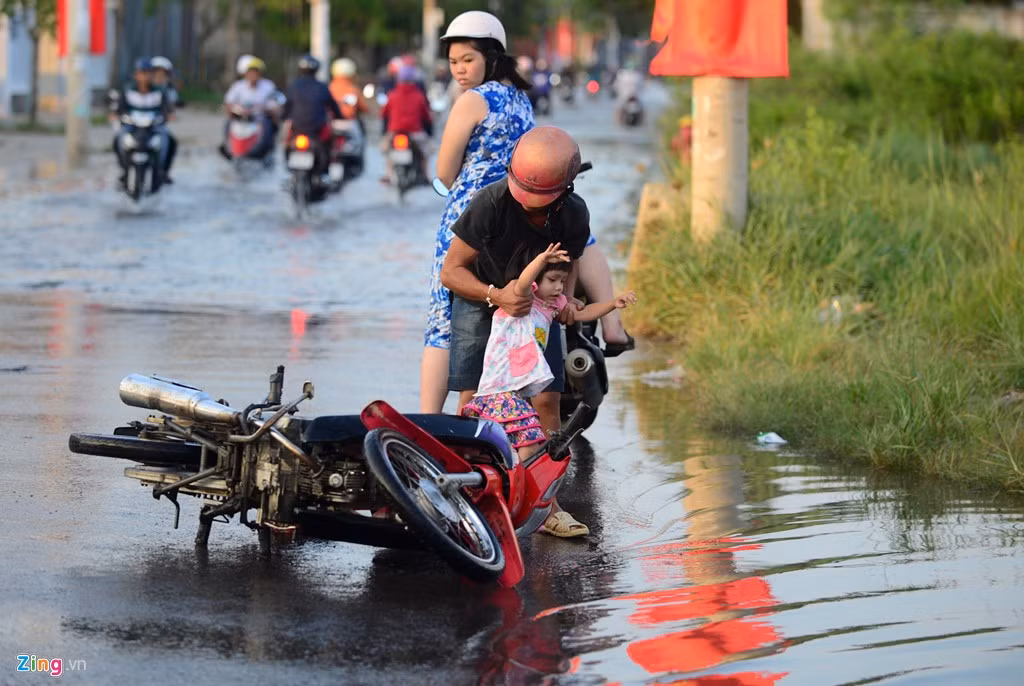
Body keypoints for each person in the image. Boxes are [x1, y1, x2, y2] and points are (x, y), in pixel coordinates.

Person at [440, 125, 593, 535]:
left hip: (537, 310)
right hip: (481, 298)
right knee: (475, 401)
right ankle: (465, 503)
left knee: (546, 401)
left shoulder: (574, 213)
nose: (529, 208)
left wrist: (566, 299)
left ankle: (546, 507)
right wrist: (497, 295)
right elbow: (451, 272)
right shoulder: (490, 202)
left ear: (566, 188)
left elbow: (570, 264)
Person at [420, 9, 534, 414]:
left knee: (443, 321)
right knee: (495, 319)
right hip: (514, 226)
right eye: (453, 62)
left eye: (467, 60)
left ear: (491, 56)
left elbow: (444, 173)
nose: (459, 70)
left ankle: (428, 423)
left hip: (465, 223)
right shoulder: (523, 101)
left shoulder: (473, 100)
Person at [461, 241, 636, 479]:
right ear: (537, 281)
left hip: (515, 393)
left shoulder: (552, 306)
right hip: (498, 392)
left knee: (519, 444)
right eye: (552, 280)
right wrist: (541, 260)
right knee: (530, 443)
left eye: (562, 282)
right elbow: (523, 282)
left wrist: (612, 305)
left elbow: (582, 314)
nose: (558, 287)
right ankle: (523, 487)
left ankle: (514, 486)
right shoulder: (521, 299)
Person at [110, 57, 173, 189]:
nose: (145, 76)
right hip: (132, 127)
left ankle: (162, 170)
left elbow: (167, 110)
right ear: (136, 75)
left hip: (153, 127)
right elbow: (119, 109)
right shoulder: (128, 91)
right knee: (118, 140)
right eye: (142, 73)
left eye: (148, 73)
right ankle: (124, 170)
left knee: (169, 141)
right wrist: (117, 115)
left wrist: (167, 116)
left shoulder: (159, 92)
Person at [281, 54, 342, 183]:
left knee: (286, 144)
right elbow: (334, 108)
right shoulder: (322, 87)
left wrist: (282, 117)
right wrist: (340, 116)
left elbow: (286, 110)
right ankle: (324, 173)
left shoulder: (293, 86)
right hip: (316, 131)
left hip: (298, 130)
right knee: (330, 144)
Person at [220, 56, 281, 161]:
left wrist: (270, 109)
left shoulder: (268, 86)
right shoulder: (238, 86)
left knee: (269, 125)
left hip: (260, 118)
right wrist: (233, 109)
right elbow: (228, 102)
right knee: (228, 124)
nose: (253, 75)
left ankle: (267, 150)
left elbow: (275, 102)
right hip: (241, 118)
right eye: (251, 72)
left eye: (256, 72)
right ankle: (228, 147)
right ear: (245, 74)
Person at [379, 64, 433, 182]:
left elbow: (383, 113)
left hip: (394, 131)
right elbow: (427, 116)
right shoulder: (419, 96)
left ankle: (388, 174)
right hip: (415, 131)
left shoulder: (392, 95)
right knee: (426, 152)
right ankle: (426, 175)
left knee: (388, 152)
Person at [150, 56, 180, 182]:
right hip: (138, 125)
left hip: (157, 126)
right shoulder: (143, 88)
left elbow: (171, 108)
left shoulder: (168, 91)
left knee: (171, 143)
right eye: (156, 74)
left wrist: (169, 114)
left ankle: (163, 171)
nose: (159, 77)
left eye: (162, 74)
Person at [328, 57, 370, 125]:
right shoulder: (353, 89)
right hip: (349, 122)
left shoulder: (329, 87)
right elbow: (364, 108)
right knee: (359, 135)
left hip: (331, 123)